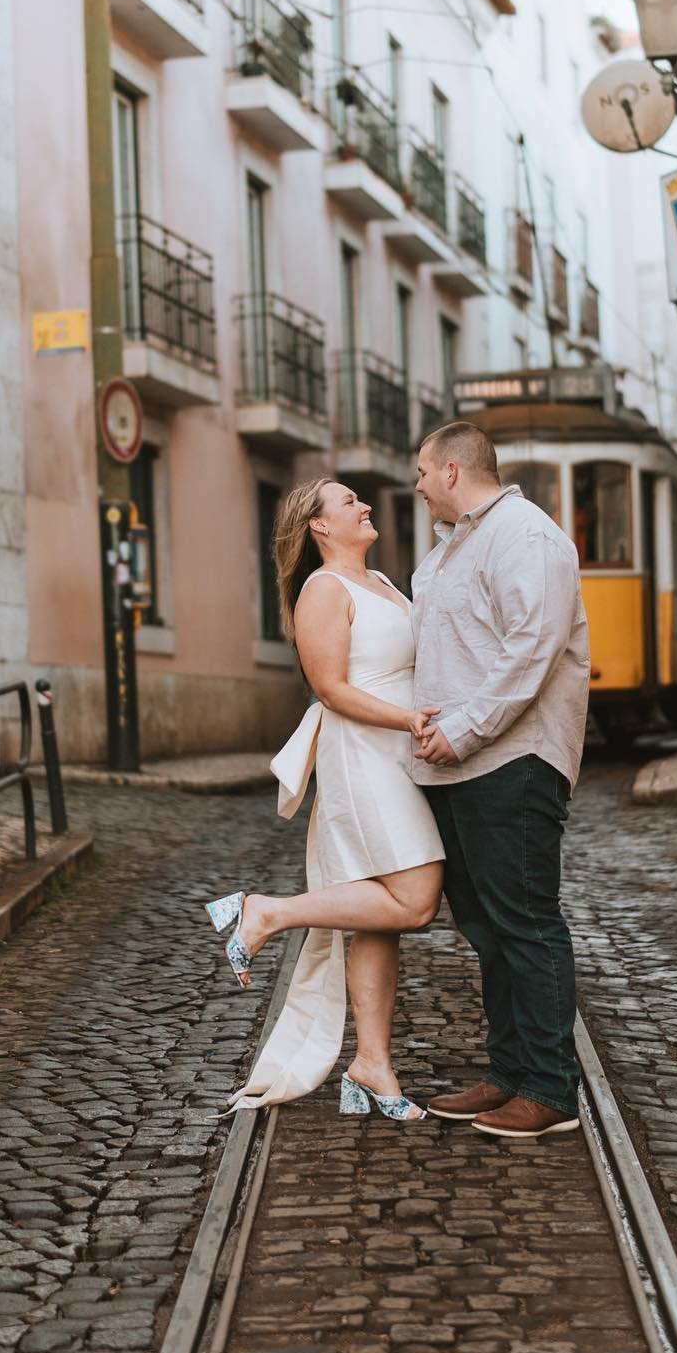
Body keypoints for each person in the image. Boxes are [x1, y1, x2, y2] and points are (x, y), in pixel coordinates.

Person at [204, 477, 445, 1122]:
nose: (365, 506)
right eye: (348, 502)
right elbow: (331, 688)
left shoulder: (387, 584)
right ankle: (269, 911)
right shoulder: (322, 589)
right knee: (416, 899)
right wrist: (411, 722)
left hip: (402, 755)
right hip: (366, 758)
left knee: (378, 914)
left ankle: (371, 1063)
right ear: (318, 525)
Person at [410, 422, 591, 1139]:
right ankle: (510, 1072)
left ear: (453, 471)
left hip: (512, 763)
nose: (417, 483)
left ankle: (549, 1089)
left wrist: (464, 728)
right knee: (486, 928)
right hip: (455, 768)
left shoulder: (525, 535)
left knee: (526, 923)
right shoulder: (447, 550)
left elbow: (533, 647)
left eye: (423, 470)